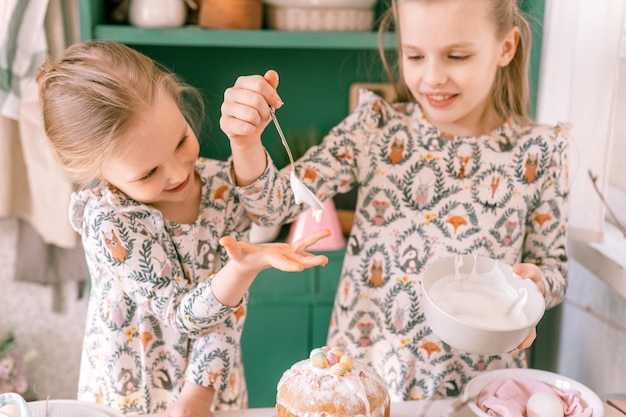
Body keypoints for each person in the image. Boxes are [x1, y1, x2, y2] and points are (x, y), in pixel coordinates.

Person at [219, 0, 570, 402]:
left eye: (457, 55)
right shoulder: (376, 130)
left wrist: (537, 285)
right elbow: (272, 206)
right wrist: (245, 143)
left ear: (506, 47)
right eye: (415, 55)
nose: (433, 77)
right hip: (364, 383)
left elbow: (553, 268)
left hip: (479, 391)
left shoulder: (540, 152)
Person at [35, 40, 331, 416]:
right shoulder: (108, 222)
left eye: (181, 141)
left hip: (213, 389)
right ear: (99, 174)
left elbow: (271, 208)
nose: (178, 174)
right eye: (147, 172)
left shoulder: (218, 186)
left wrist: (245, 143)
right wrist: (240, 269)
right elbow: (182, 314)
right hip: (134, 394)